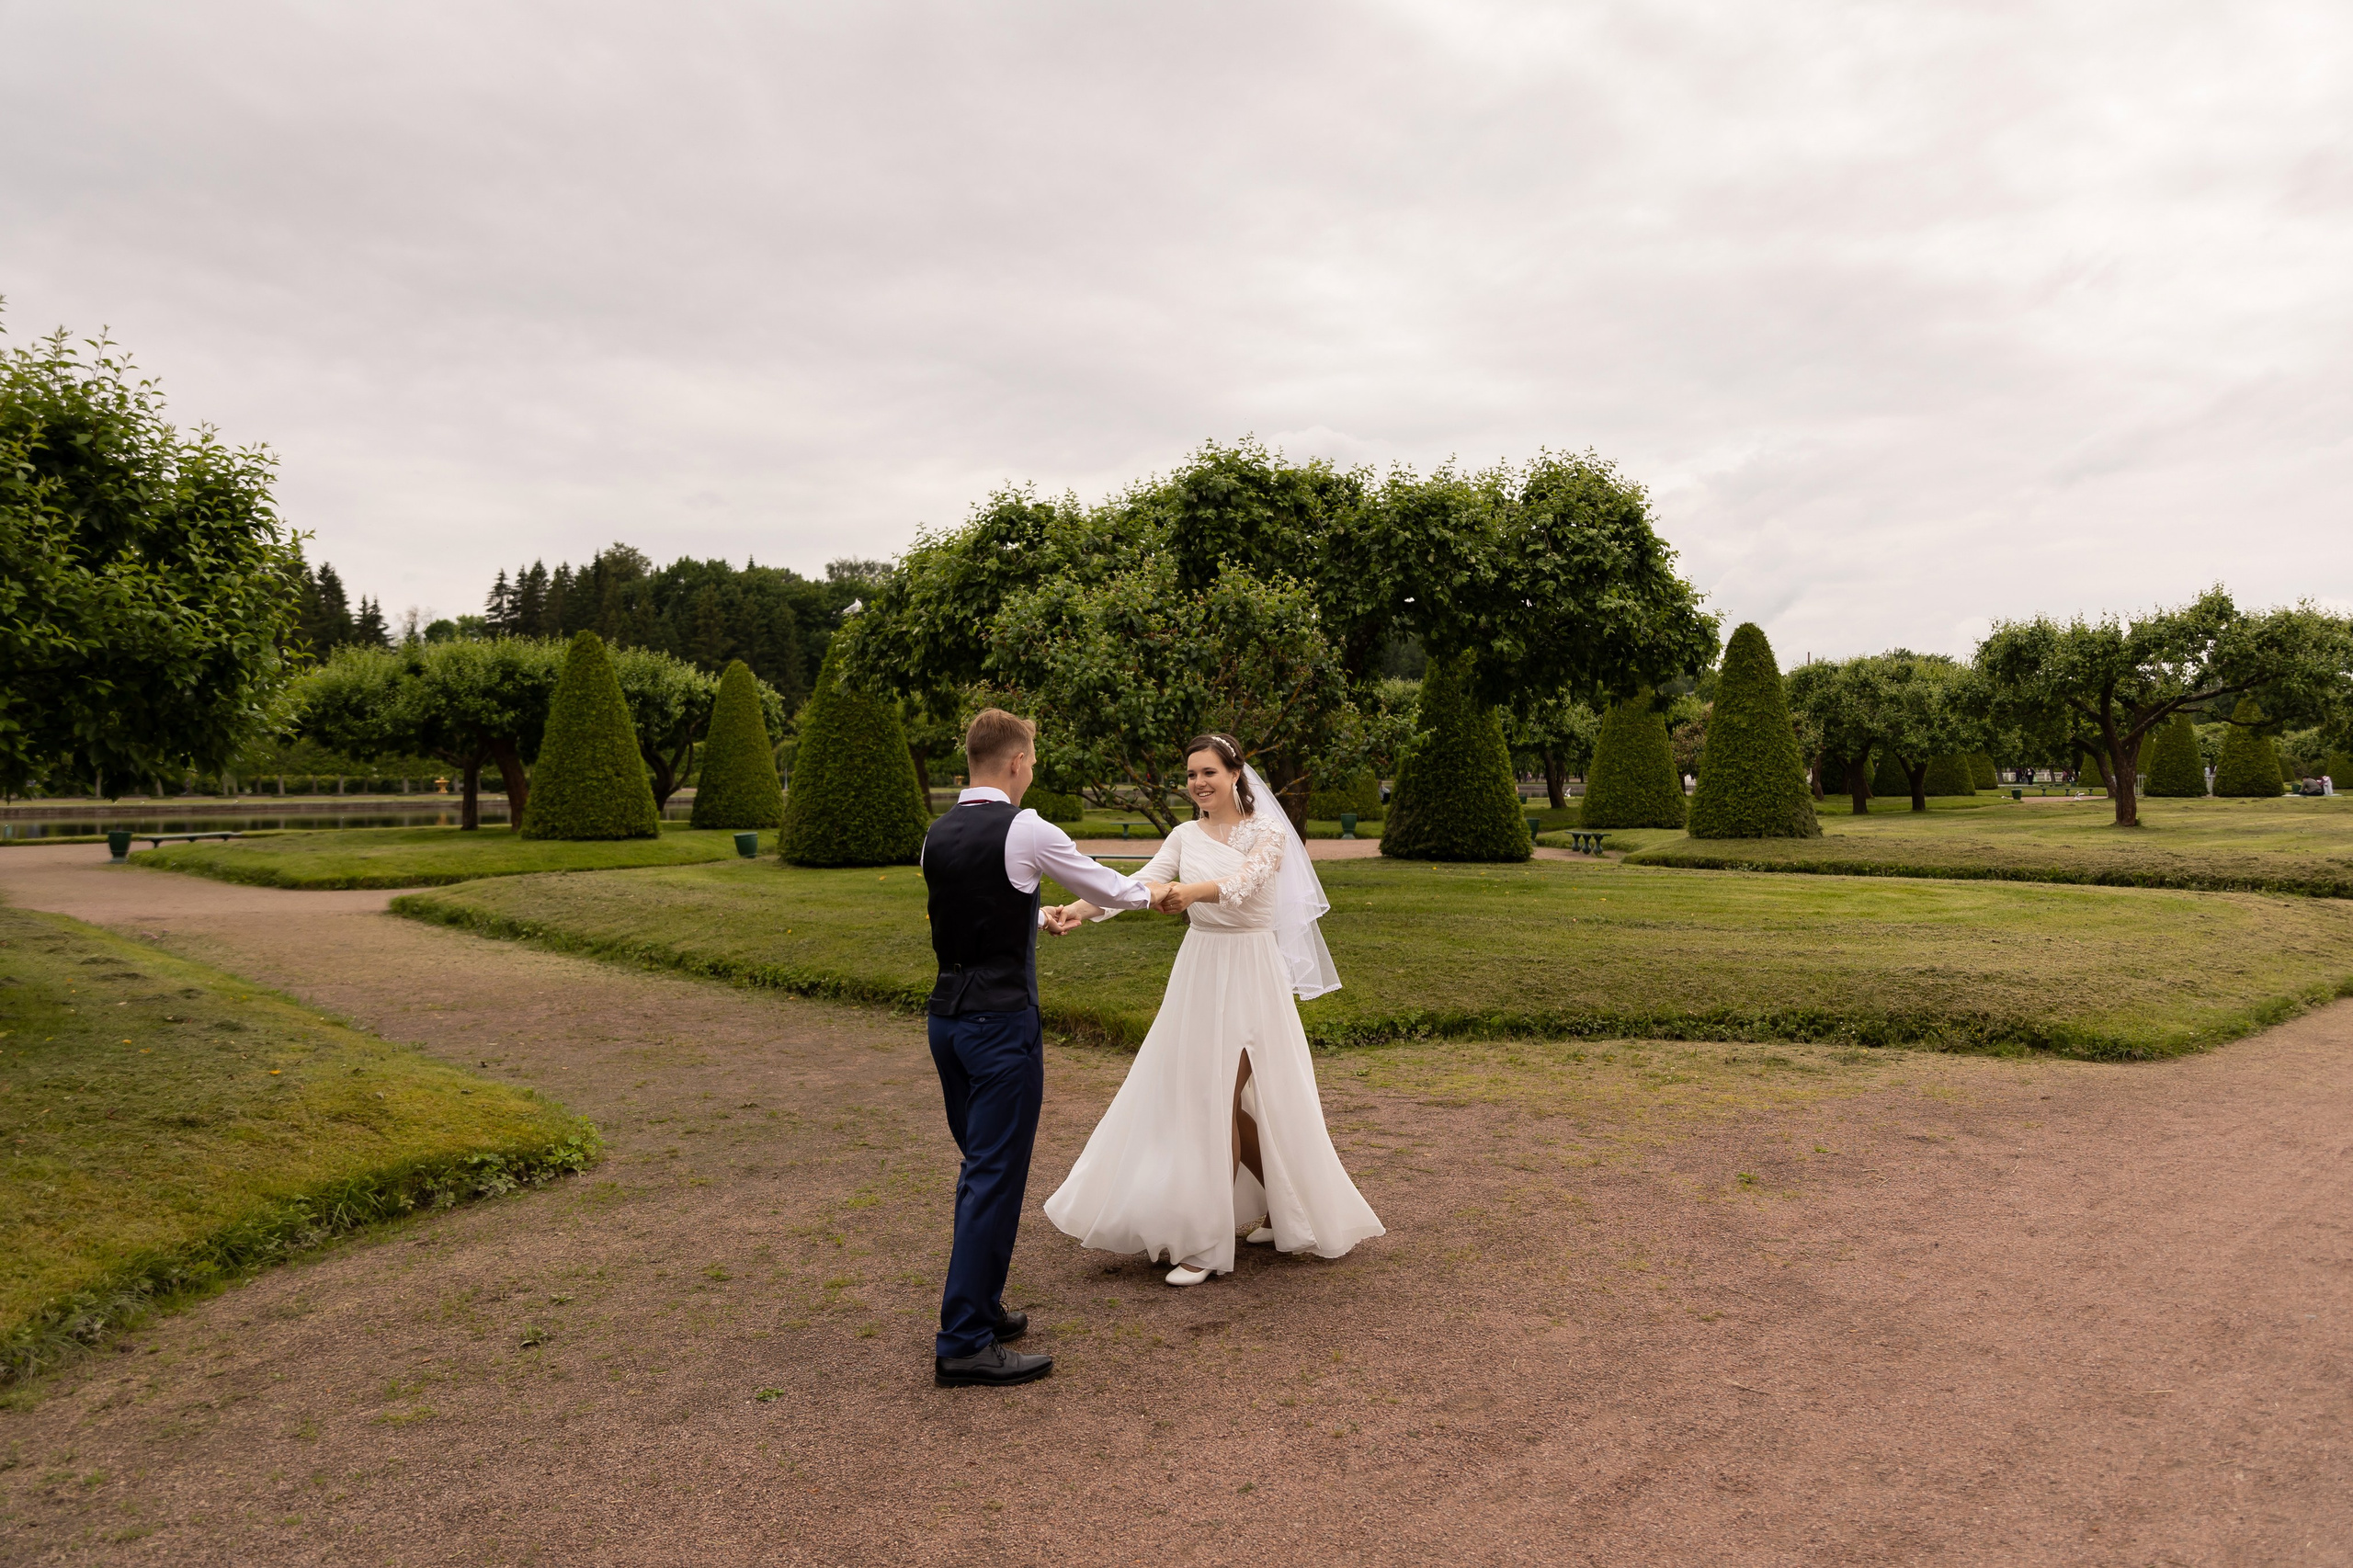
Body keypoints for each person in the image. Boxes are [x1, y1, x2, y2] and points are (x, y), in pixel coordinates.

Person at [1042, 733, 1384, 1286]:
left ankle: (1205, 1243)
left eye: (1209, 773)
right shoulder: (1183, 834)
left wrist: (1191, 891)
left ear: (1234, 774)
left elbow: (1245, 885)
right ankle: (1277, 1205)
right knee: (1209, 1098)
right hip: (1199, 972)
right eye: (1191, 774)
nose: (1199, 783)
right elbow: (1138, 884)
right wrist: (1078, 910)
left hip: (1251, 972)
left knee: (1218, 1096)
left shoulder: (1269, 832)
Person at [921, 709, 1158, 1388]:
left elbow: (967, 910)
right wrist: (1157, 895)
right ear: (1019, 762)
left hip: (947, 1021)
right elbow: (1106, 886)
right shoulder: (1026, 828)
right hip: (1001, 1025)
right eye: (1032, 761)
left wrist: (1035, 913)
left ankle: (982, 1309)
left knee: (982, 1167)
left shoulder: (936, 834)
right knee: (993, 1175)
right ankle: (962, 1339)